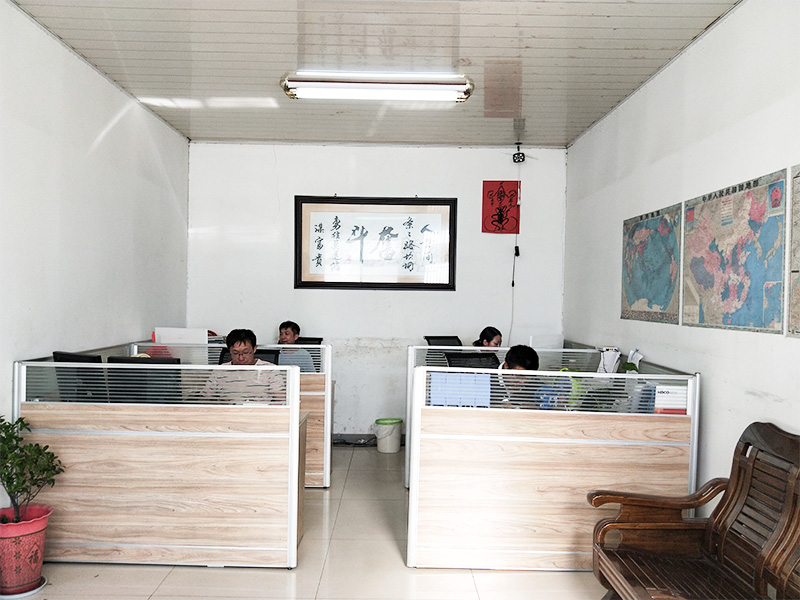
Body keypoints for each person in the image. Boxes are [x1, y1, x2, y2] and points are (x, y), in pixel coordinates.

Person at [203, 329, 282, 402]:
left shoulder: (270, 370)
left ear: (254, 349)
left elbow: (281, 399)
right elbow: (205, 398)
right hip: (228, 412)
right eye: (235, 353)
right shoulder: (219, 371)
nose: (241, 358)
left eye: (245, 352)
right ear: (229, 351)